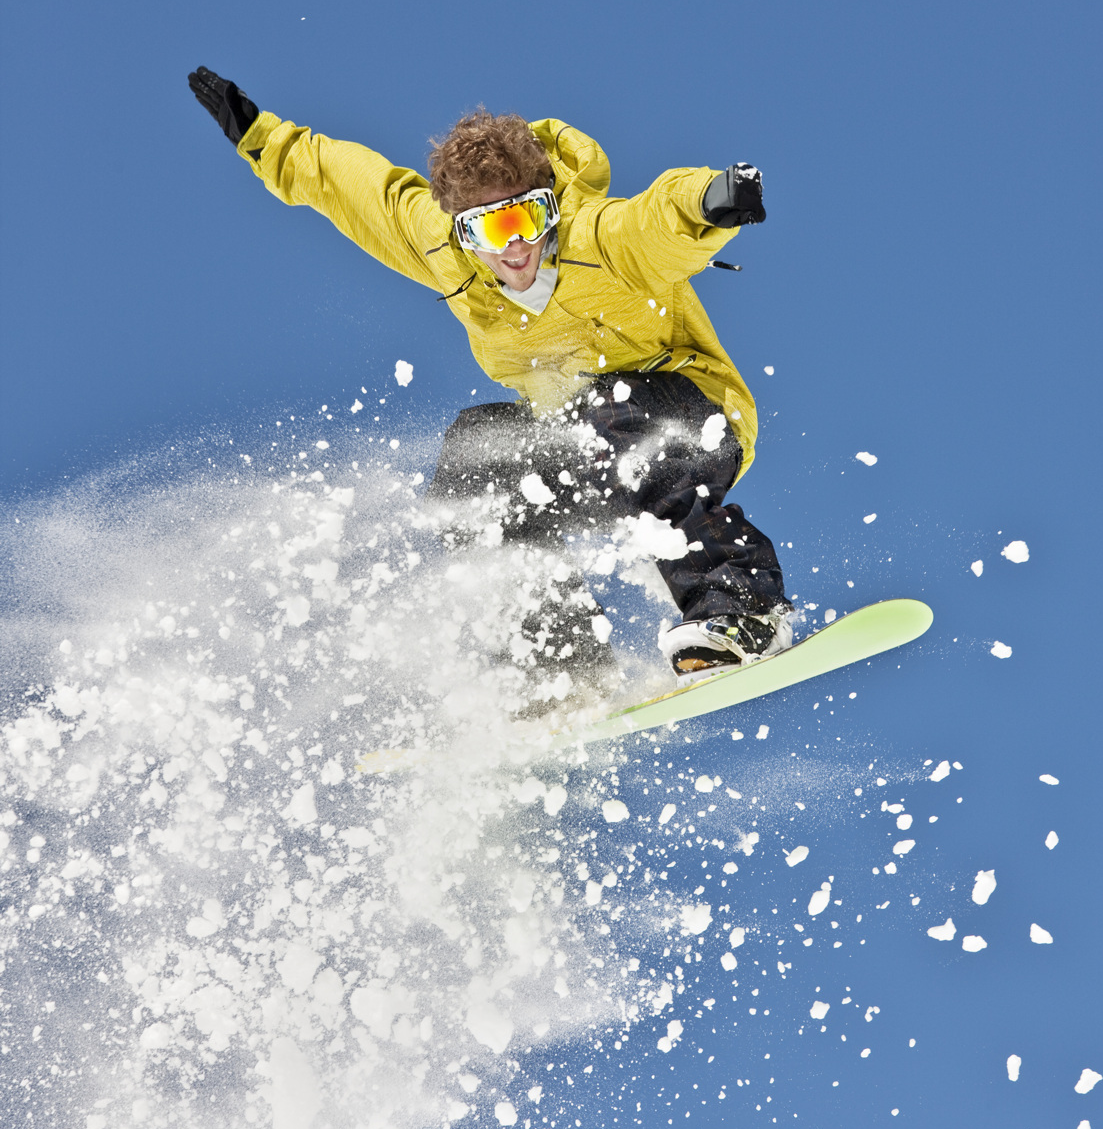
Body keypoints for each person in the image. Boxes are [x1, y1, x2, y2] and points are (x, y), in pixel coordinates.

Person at [187, 66, 793, 680]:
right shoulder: (445, 255)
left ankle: (743, 611)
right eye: (486, 230)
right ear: (459, 231)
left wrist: (711, 200)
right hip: (579, 440)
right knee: (475, 456)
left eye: (526, 219)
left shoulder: (598, 239)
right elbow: (356, 188)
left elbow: (654, 220)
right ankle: (557, 662)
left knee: (616, 409)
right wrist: (262, 137)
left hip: (694, 417)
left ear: (550, 206)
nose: (513, 248)